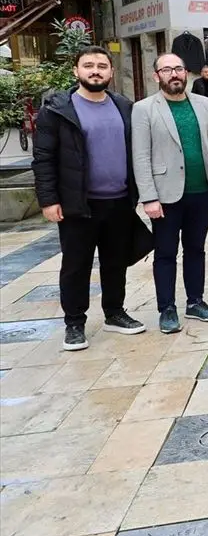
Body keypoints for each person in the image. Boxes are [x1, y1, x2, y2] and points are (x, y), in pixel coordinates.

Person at [32, 46, 146, 350]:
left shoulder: (124, 106)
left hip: (119, 201)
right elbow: (43, 158)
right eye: (88, 65)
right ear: (76, 70)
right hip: (77, 204)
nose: (95, 71)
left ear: (110, 71)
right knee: (76, 265)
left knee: (115, 262)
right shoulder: (57, 110)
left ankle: (114, 313)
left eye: (101, 66)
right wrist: (48, 200)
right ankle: (74, 322)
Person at [132, 53, 208, 333]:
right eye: (167, 69)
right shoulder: (144, 109)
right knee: (166, 253)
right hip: (165, 195)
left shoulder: (205, 104)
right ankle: (167, 308)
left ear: (187, 73)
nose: (175, 74)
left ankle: (195, 301)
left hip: (200, 192)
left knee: (196, 249)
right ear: (156, 75)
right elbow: (141, 156)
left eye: (179, 69)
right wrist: (148, 197)